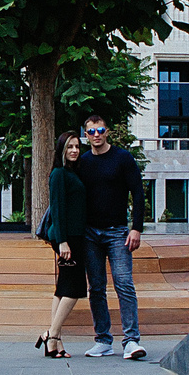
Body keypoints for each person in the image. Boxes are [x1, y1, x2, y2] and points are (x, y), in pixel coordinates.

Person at [71, 113, 147, 359]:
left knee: (124, 284)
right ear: (86, 135)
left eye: (100, 130)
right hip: (90, 234)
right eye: (91, 132)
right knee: (96, 288)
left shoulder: (122, 158)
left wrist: (136, 228)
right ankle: (103, 340)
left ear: (107, 132)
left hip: (117, 232)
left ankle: (131, 340)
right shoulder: (83, 162)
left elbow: (138, 192)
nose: (96, 135)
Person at [36, 129, 87, 358]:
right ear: (62, 150)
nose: (74, 150)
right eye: (70, 147)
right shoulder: (58, 174)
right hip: (67, 238)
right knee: (75, 289)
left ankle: (55, 342)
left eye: (77, 146)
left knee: (63, 288)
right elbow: (57, 209)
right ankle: (52, 334)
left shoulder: (72, 172)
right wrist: (63, 242)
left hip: (75, 236)